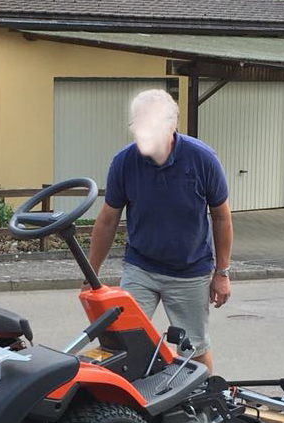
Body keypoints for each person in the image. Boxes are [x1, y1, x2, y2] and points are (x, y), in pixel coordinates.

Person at [86, 89, 233, 373]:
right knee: (121, 341)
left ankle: (204, 398)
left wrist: (222, 273)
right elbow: (107, 220)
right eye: (136, 124)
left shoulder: (202, 159)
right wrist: (90, 274)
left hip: (190, 270)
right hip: (141, 267)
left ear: (170, 125)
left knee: (194, 349)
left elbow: (221, 216)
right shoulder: (124, 162)